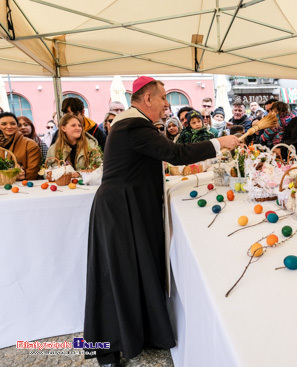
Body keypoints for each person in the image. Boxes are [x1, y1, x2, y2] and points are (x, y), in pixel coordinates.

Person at [84, 76, 240, 367]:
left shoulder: (133, 124)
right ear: (147, 100)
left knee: (135, 272)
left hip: (128, 206)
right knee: (115, 276)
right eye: (163, 97)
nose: (167, 104)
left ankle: (140, 334)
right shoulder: (133, 125)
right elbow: (175, 153)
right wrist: (219, 143)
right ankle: (108, 350)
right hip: (120, 209)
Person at [0, 112, 40, 180]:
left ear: (17, 125)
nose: (9, 127)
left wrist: (13, 177)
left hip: (24, 186)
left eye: (13, 124)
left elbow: (32, 172)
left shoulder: (30, 144)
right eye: (4, 124)